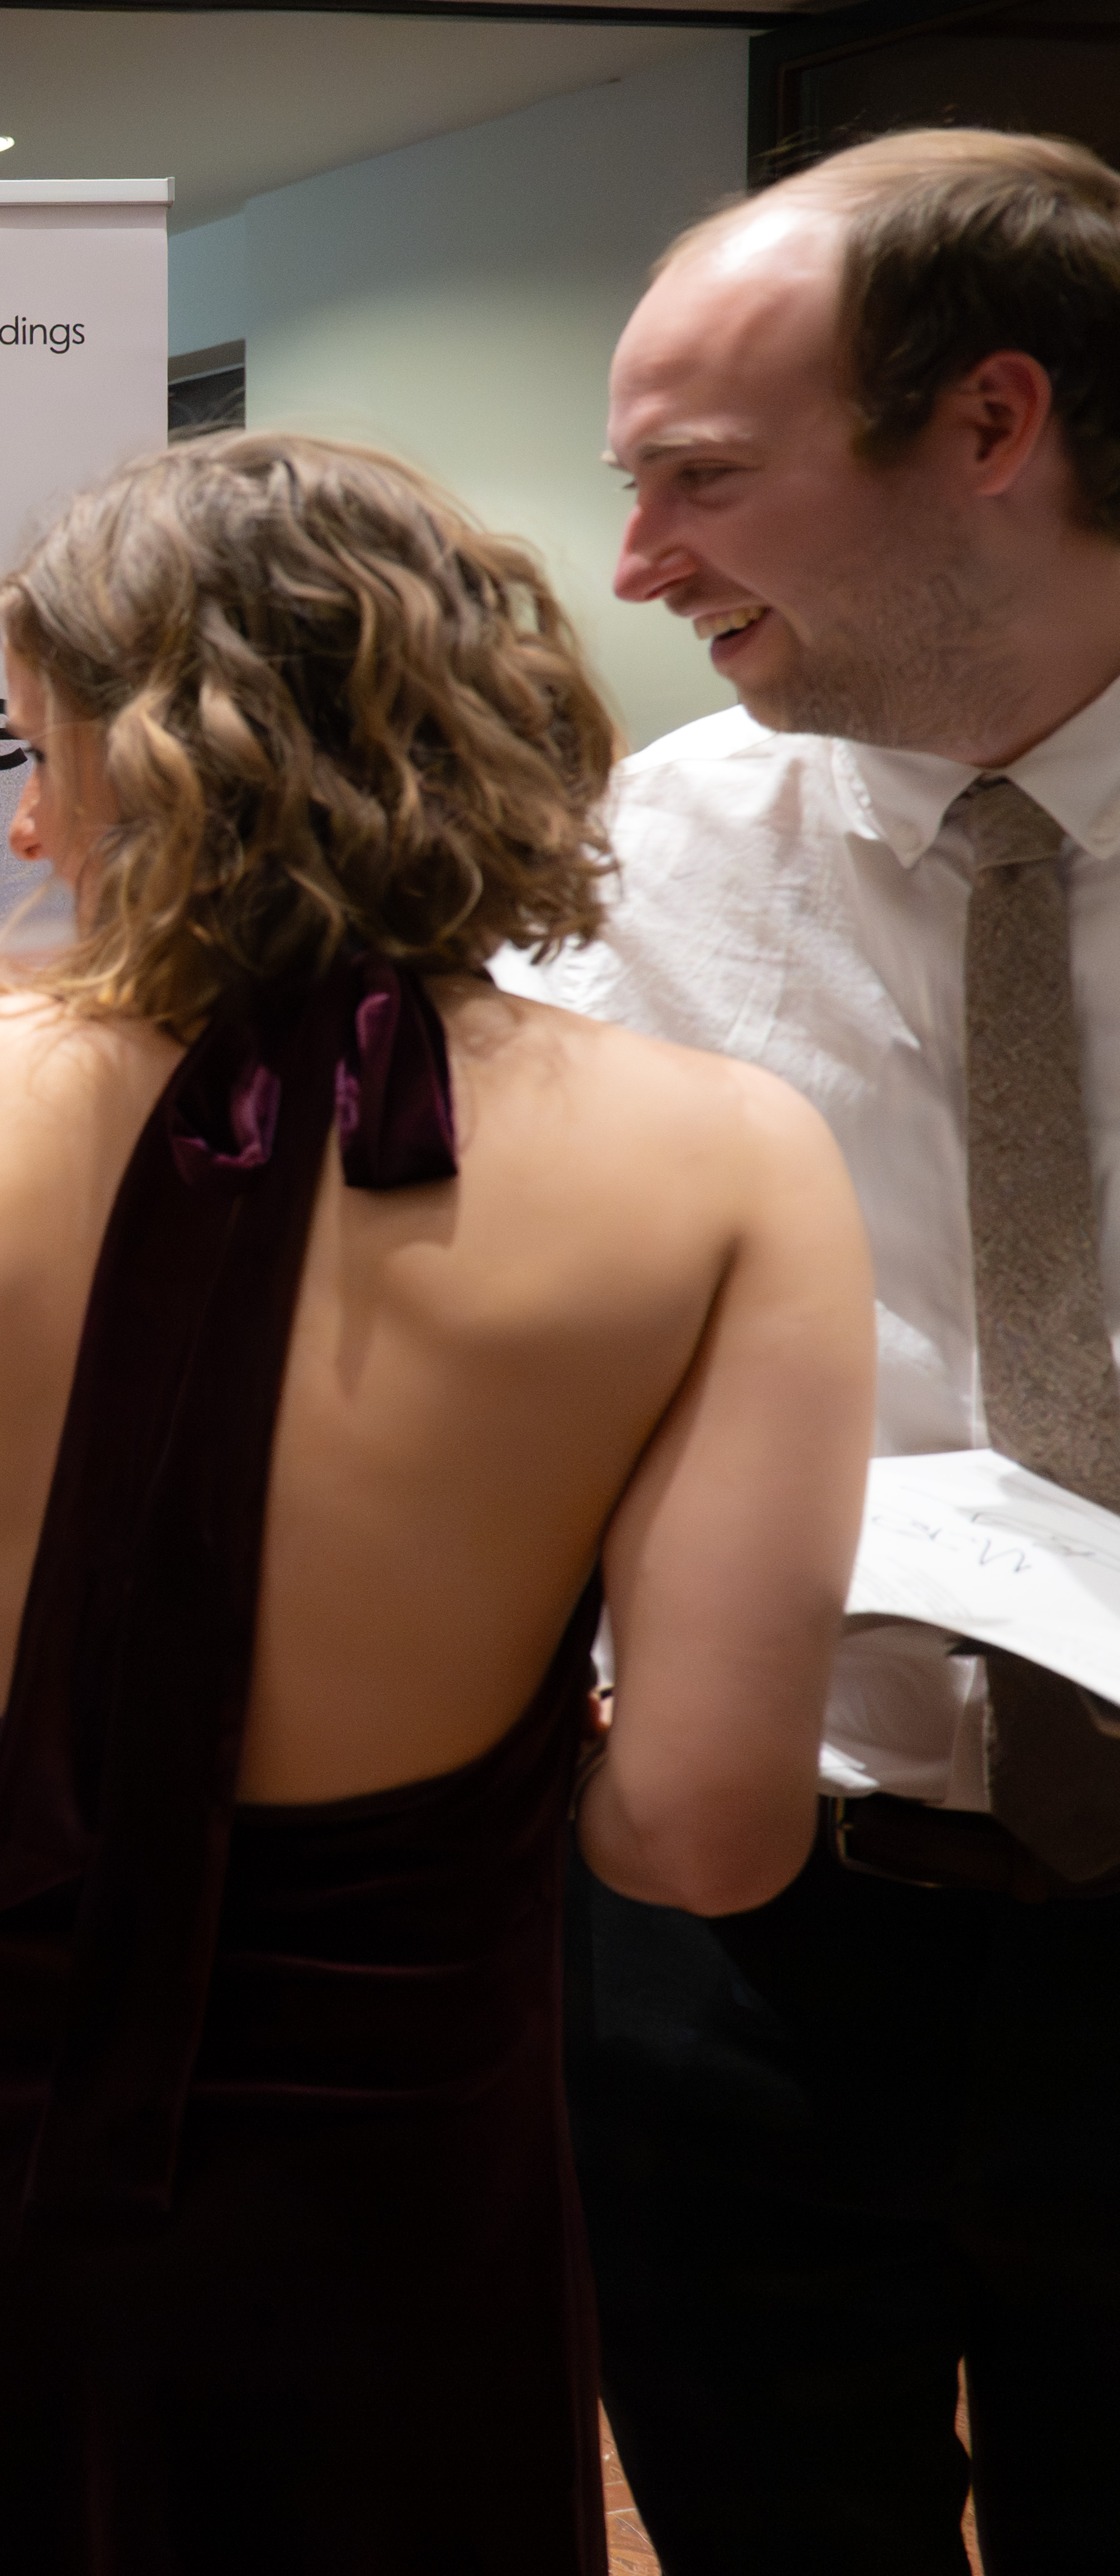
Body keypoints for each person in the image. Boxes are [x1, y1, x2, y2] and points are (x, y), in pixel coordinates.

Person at [0, 435, 872, 2572]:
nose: (14, 819)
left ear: (165, 758)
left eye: (36, 750)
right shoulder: (728, 1164)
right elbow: (705, 1834)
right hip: (394, 2148)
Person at [511, 127, 1120, 2572]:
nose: (638, 563)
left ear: (990, 432)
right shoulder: (628, 870)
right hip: (749, 1940)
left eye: (700, 480)